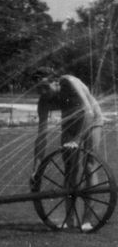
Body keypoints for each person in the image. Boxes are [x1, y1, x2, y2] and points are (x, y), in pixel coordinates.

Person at [33, 68, 104, 229]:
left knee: (89, 166)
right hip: (70, 125)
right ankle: (70, 218)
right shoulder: (43, 101)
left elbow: (88, 111)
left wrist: (77, 140)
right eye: (38, 89)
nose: (42, 92)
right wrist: (36, 169)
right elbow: (41, 136)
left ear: (56, 81)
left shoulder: (69, 82)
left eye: (45, 87)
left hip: (92, 119)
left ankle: (87, 219)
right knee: (70, 169)